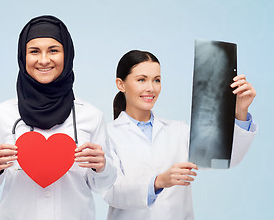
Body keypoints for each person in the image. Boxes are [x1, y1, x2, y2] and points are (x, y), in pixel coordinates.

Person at [0, 15, 117, 219]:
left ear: (67, 55)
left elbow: (102, 185)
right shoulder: (2, 114)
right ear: (23, 57)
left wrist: (102, 167)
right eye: (34, 51)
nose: (43, 60)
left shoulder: (91, 115)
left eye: (53, 50)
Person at [103, 50, 257, 220]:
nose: (151, 88)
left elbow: (226, 157)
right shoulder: (107, 135)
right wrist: (158, 182)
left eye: (157, 80)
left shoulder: (178, 130)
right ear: (121, 84)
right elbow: (111, 190)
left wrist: (241, 111)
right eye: (141, 80)